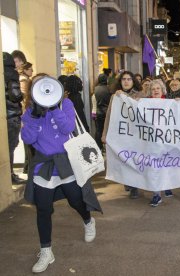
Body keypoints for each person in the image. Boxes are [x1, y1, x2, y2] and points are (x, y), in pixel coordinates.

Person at [21, 74, 102, 273]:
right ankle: (46, 251)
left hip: (66, 162)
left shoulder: (65, 104)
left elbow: (68, 127)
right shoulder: (30, 112)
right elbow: (28, 139)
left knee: (76, 200)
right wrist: (33, 116)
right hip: (44, 165)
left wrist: (54, 108)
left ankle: (88, 220)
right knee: (43, 209)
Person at [102, 71, 144, 199]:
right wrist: (105, 134)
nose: (126, 81)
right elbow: (109, 116)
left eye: (129, 79)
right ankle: (128, 181)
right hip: (122, 134)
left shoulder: (140, 95)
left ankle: (134, 187)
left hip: (136, 135)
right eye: (124, 79)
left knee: (134, 160)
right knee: (124, 159)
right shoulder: (115, 97)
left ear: (133, 81)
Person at [147, 79, 174, 206]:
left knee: (166, 164)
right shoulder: (145, 103)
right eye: (153, 89)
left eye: (158, 88)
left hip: (167, 140)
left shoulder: (170, 103)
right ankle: (156, 194)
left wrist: (179, 103)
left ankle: (167, 185)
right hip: (152, 141)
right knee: (154, 167)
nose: (156, 91)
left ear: (162, 90)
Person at [3, 52, 25, 184]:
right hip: (12, 115)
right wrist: (21, 95)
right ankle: (10, 175)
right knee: (11, 146)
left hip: (5, 114)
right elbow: (15, 95)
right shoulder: (11, 73)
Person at [93, 74, 111, 151]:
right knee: (107, 130)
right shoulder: (108, 89)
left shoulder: (95, 89)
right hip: (107, 112)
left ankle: (98, 147)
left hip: (99, 112)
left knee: (99, 130)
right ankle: (106, 148)